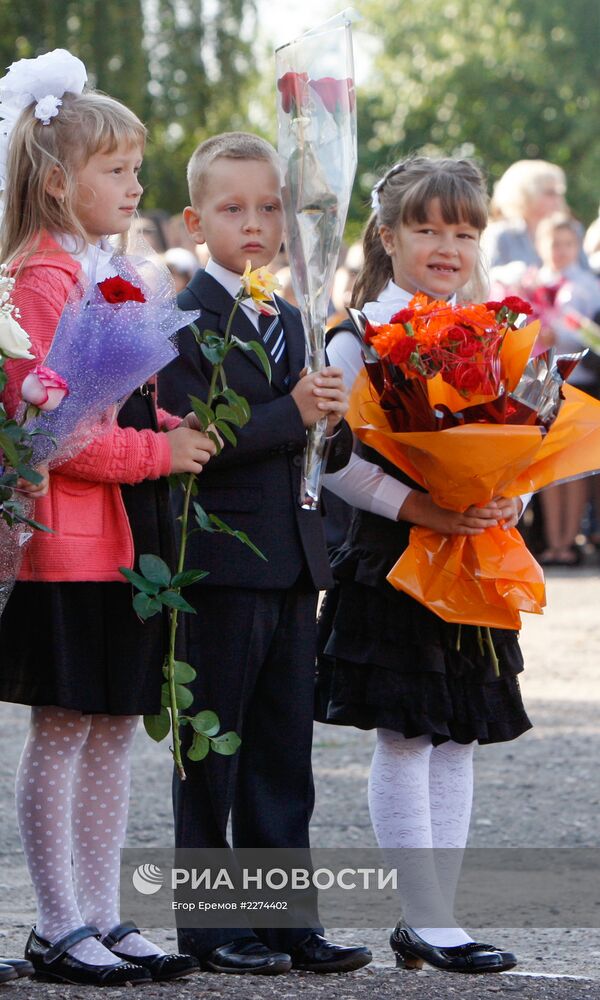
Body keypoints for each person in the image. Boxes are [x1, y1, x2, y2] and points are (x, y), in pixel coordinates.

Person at [0, 51, 217, 986]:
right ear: (58, 179)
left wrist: (165, 423)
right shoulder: (38, 279)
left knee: (113, 729)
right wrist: (154, 455)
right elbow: (44, 432)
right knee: (64, 726)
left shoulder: (110, 268)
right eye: (117, 168)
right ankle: (57, 925)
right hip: (61, 545)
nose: (137, 185)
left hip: (122, 546)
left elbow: (114, 404)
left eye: (137, 167)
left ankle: (102, 914)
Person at [158, 131, 372, 976]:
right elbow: (197, 437)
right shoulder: (180, 321)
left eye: (270, 207)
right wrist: (292, 412)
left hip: (294, 563)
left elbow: (322, 449)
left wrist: (338, 422)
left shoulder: (292, 316)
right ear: (195, 217)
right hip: (219, 564)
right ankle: (212, 927)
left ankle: (286, 921)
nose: (254, 223)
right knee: (215, 749)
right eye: (233, 207)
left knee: (284, 752)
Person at [317, 156, 532, 974]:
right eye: (427, 227)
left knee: (459, 738)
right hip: (396, 556)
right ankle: (425, 914)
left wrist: (508, 495)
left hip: (471, 555)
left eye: (464, 231)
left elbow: (516, 445)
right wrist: (426, 507)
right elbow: (332, 460)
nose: (447, 245)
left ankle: (438, 913)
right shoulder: (358, 335)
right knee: (409, 734)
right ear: (388, 233)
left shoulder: (489, 331)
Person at [531, 213, 600, 565]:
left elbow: (591, 337)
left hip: (579, 384)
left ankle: (568, 540)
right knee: (549, 465)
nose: (559, 251)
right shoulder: (531, 284)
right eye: (552, 243)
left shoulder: (587, 285)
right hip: (542, 383)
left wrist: (563, 334)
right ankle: (552, 540)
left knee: (573, 468)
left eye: (566, 243)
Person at [483, 159, 588, 271]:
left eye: (559, 193)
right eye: (550, 193)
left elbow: (588, 276)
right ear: (525, 195)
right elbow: (487, 280)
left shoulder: (573, 230)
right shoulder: (502, 234)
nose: (558, 199)